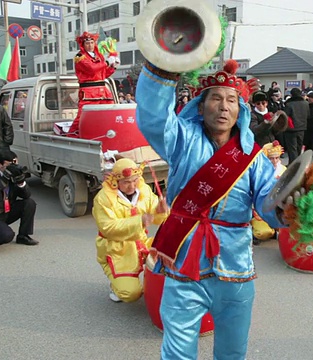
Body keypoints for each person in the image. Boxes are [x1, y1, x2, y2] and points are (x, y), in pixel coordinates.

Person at [135, 59, 298, 359]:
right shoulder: (181, 140)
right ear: (200, 106)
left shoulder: (252, 156)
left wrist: (289, 208)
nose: (224, 107)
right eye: (216, 98)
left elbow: (267, 200)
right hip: (184, 263)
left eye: (232, 100)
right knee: (177, 352)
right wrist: (164, 65)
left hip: (234, 267)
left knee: (233, 352)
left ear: (240, 111)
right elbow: (154, 118)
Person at [93, 158, 168, 303]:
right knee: (130, 294)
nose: (132, 186)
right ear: (116, 181)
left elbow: (155, 217)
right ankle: (115, 284)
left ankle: (151, 280)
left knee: (172, 248)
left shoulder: (144, 189)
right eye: (126, 182)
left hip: (141, 241)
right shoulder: (103, 198)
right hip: (117, 250)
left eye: (135, 180)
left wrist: (160, 211)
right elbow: (108, 228)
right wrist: (139, 221)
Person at [67, 32, 118, 136]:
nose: (90, 45)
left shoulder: (99, 56)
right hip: (89, 92)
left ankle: (105, 134)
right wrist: (107, 62)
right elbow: (92, 69)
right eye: (87, 43)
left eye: (92, 42)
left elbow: (103, 74)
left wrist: (113, 66)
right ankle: (71, 136)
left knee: (108, 114)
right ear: (83, 45)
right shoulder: (80, 56)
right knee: (82, 116)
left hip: (103, 91)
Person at [251, 141, 286, 244]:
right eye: (271, 158)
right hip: (262, 208)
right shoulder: (259, 172)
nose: (274, 161)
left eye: (277, 158)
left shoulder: (284, 170)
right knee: (263, 232)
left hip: (279, 207)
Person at [283, 88, 309, 163]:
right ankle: (298, 163)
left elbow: (285, 116)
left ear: (291, 95)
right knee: (299, 147)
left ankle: (293, 165)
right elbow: (308, 115)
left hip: (291, 129)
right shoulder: (305, 103)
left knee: (292, 149)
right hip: (302, 128)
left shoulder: (289, 104)